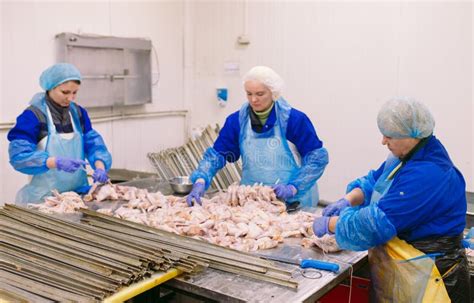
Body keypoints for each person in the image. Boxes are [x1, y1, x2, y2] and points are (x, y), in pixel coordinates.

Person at [313, 97, 470, 302]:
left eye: (389, 136)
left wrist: (331, 224)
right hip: (409, 269)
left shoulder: (428, 173)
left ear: (411, 135)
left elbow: (375, 225)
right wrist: (347, 200)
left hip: (433, 275)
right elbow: (374, 183)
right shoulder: (405, 155)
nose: (383, 141)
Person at [186, 66, 328, 208]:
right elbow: (217, 156)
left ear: (273, 93)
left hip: (295, 202)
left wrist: (293, 188)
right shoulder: (237, 121)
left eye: (260, 94)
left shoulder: (294, 120)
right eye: (249, 94)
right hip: (253, 201)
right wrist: (200, 180)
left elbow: (316, 160)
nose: (254, 100)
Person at [8, 63, 112, 205]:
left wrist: (100, 167)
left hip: (78, 196)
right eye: (65, 92)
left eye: (75, 92)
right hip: (44, 199)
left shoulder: (78, 113)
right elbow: (19, 157)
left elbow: (93, 144)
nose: (70, 98)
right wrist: (55, 162)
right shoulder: (33, 116)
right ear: (50, 88)